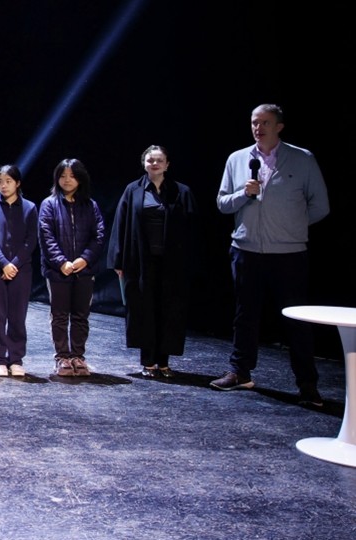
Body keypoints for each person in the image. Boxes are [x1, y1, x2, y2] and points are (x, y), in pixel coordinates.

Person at [212, 104, 330, 406]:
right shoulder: (238, 159)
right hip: (246, 250)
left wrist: (290, 226)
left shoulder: (302, 159)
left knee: (296, 320)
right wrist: (244, 194)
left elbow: (320, 206)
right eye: (254, 122)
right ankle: (240, 372)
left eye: (265, 122)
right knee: (245, 315)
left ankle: (307, 385)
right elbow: (223, 203)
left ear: (279, 126)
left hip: (288, 254)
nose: (258, 127)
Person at [107, 145, 197, 378]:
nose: (154, 164)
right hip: (140, 262)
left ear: (167, 164)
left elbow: (191, 230)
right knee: (143, 310)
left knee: (169, 310)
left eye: (159, 160)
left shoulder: (181, 191)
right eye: (150, 160)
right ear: (144, 163)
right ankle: (147, 362)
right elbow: (120, 224)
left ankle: (164, 362)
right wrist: (118, 261)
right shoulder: (133, 190)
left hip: (172, 263)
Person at [39, 158, 105, 377]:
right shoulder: (49, 204)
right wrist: (61, 262)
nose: (67, 180)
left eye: (72, 176)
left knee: (80, 315)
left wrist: (84, 259)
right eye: (63, 176)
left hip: (84, 270)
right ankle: (62, 357)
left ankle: (78, 356)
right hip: (58, 270)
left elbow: (99, 236)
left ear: (80, 179)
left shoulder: (90, 205)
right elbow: (46, 236)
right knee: (59, 315)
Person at [0, 164, 38, 377]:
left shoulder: (30, 208)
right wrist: (4, 263)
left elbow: (31, 240)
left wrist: (14, 264)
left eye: (8, 181)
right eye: (0, 182)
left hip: (21, 270)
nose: (3, 186)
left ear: (17, 183)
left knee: (17, 316)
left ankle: (16, 359)